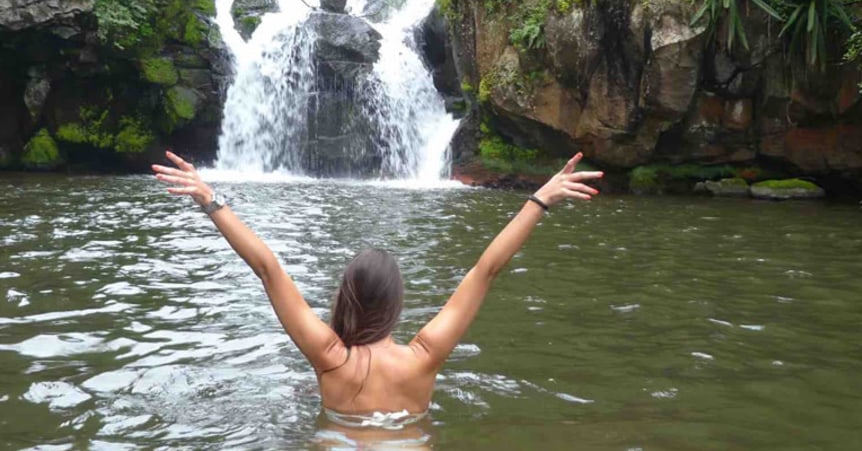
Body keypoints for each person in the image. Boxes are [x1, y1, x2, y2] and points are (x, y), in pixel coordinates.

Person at [151, 151, 603, 430]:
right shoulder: (424, 358)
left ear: (346, 295)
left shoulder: (329, 358)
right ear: (395, 303)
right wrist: (541, 199)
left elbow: (268, 269)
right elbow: (486, 270)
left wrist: (209, 199)